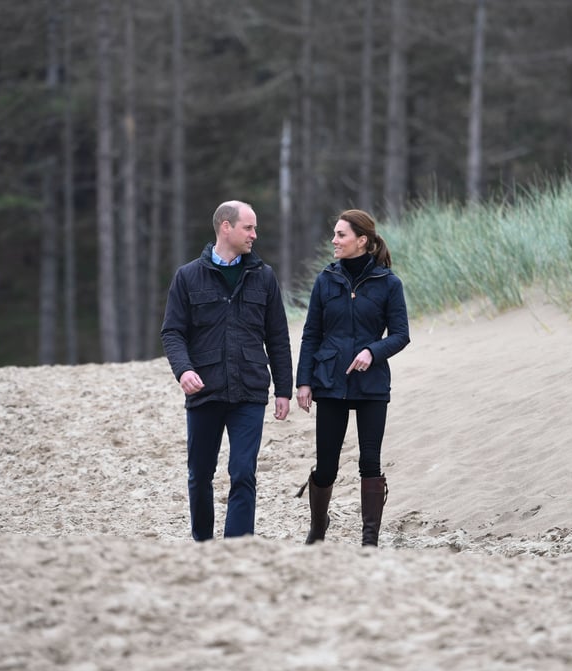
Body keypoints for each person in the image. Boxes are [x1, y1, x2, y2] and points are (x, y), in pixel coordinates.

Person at [161, 200, 293, 541]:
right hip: (204, 390)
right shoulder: (188, 276)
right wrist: (183, 370)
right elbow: (173, 332)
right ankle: (203, 544)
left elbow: (277, 337)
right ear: (226, 227)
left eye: (254, 227)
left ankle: (237, 548)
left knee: (244, 472)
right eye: (248, 227)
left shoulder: (263, 277)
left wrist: (283, 389)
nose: (254, 234)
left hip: (249, 391)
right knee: (200, 474)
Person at [295, 208, 410, 547]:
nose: (334, 240)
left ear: (362, 240)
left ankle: (369, 540)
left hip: (371, 384)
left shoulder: (389, 283)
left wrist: (373, 351)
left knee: (370, 462)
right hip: (329, 381)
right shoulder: (325, 279)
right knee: (326, 466)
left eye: (341, 235)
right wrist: (304, 381)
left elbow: (401, 334)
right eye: (335, 234)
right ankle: (318, 528)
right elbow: (311, 334)